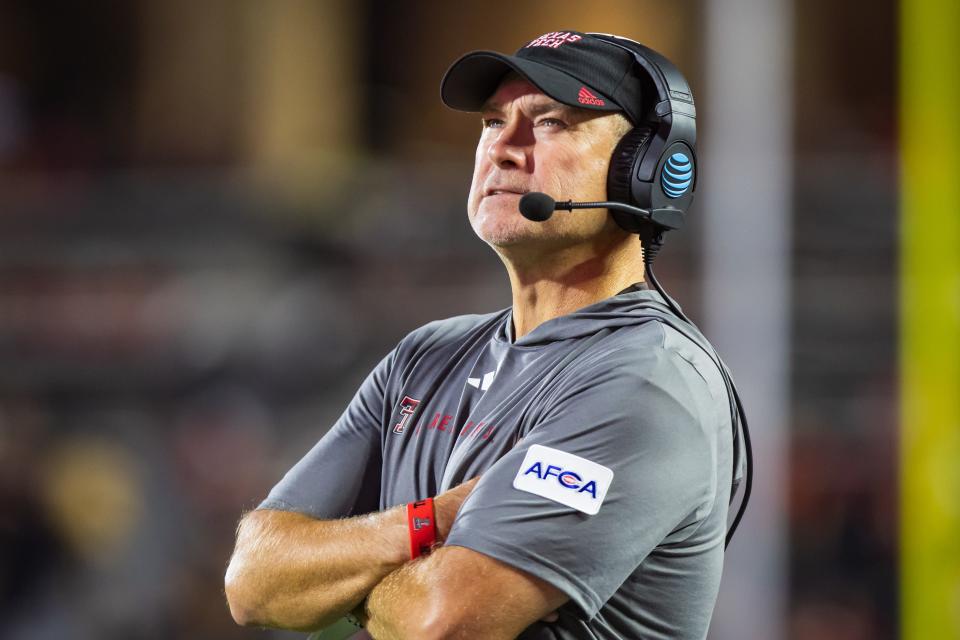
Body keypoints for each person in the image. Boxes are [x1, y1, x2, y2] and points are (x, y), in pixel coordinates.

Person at [225, 29, 744, 640]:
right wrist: (432, 523)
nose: (504, 149)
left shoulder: (649, 381)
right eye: (493, 122)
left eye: (550, 122)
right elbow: (255, 580)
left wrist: (346, 577)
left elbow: (442, 623)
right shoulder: (423, 358)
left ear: (648, 171)